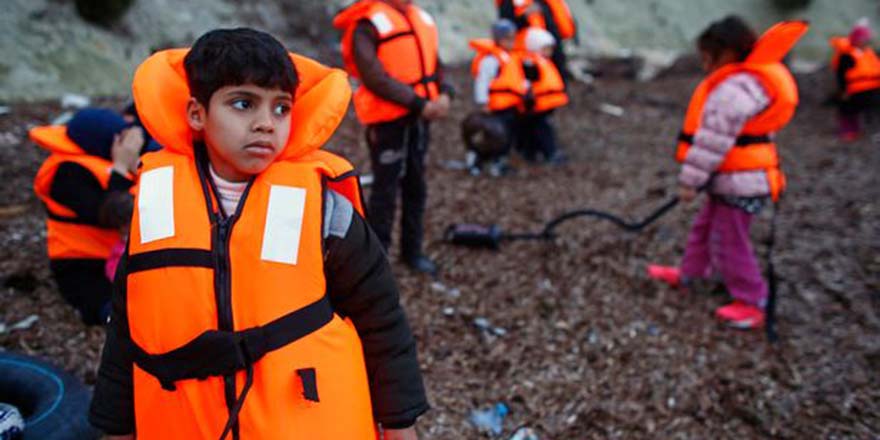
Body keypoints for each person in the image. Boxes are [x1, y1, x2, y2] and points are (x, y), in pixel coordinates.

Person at [88, 28, 428, 440]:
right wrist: (115, 428)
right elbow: (127, 329)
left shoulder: (323, 210)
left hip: (304, 420)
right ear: (197, 113)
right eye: (243, 104)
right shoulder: (157, 207)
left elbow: (381, 319)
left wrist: (400, 424)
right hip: (185, 420)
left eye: (281, 108)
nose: (266, 124)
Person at [647, 18, 809, 330]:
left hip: (741, 184)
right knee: (705, 228)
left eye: (706, 56)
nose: (704, 63)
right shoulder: (751, 81)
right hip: (740, 179)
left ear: (724, 53)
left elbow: (711, 144)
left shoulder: (732, 91)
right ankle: (691, 274)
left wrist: (688, 183)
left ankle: (752, 301)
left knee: (728, 241)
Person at [333, 0, 455, 275]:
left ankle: (413, 252)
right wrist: (418, 103)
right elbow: (373, 76)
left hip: (420, 116)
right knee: (385, 190)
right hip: (389, 120)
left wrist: (446, 92)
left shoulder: (419, 17)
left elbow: (435, 62)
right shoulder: (367, 25)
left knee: (416, 185)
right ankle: (377, 260)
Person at [30, 107, 148, 325]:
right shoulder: (66, 174)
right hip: (82, 265)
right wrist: (122, 167)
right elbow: (113, 214)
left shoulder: (106, 165)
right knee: (111, 310)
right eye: (123, 140)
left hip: (117, 256)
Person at [466, 19, 518, 176]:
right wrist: (483, 102)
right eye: (507, 38)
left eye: (512, 38)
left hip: (509, 105)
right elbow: (482, 82)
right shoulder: (491, 60)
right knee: (493, 136)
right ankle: (477, 160)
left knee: (507, 136)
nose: (511, 42)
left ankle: (499, 162)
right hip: (495, 107)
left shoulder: (508, 57)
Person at [514, 28, 569, 163]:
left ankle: (532, 152)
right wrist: (528, 99)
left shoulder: (541, 61)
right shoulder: (530, 63)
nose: (549, 52)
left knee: (534, 129)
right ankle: (549, 153)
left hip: (544, 104)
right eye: (546, 48)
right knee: (540, 128)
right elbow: (527, 83)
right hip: (536, 105)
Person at [497, 0, 576, 79]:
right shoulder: (509, 3)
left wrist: (556, 50)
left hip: (547, 52)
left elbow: (552, 27)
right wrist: (525, 16)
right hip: (523, 54)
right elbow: (506, 28)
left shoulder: (541, 3)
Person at [830, 18, 880, 141]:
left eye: (866, 40)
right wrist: (843, 90)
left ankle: (869, 130)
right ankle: (849, 131)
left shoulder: (868, 53)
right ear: (856, 40)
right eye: (863, 40)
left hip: (871, 88)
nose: (865, 42)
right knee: (848, 111)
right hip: (853, 90)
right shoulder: (847, 56)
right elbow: (841, 74)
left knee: (869, 110)